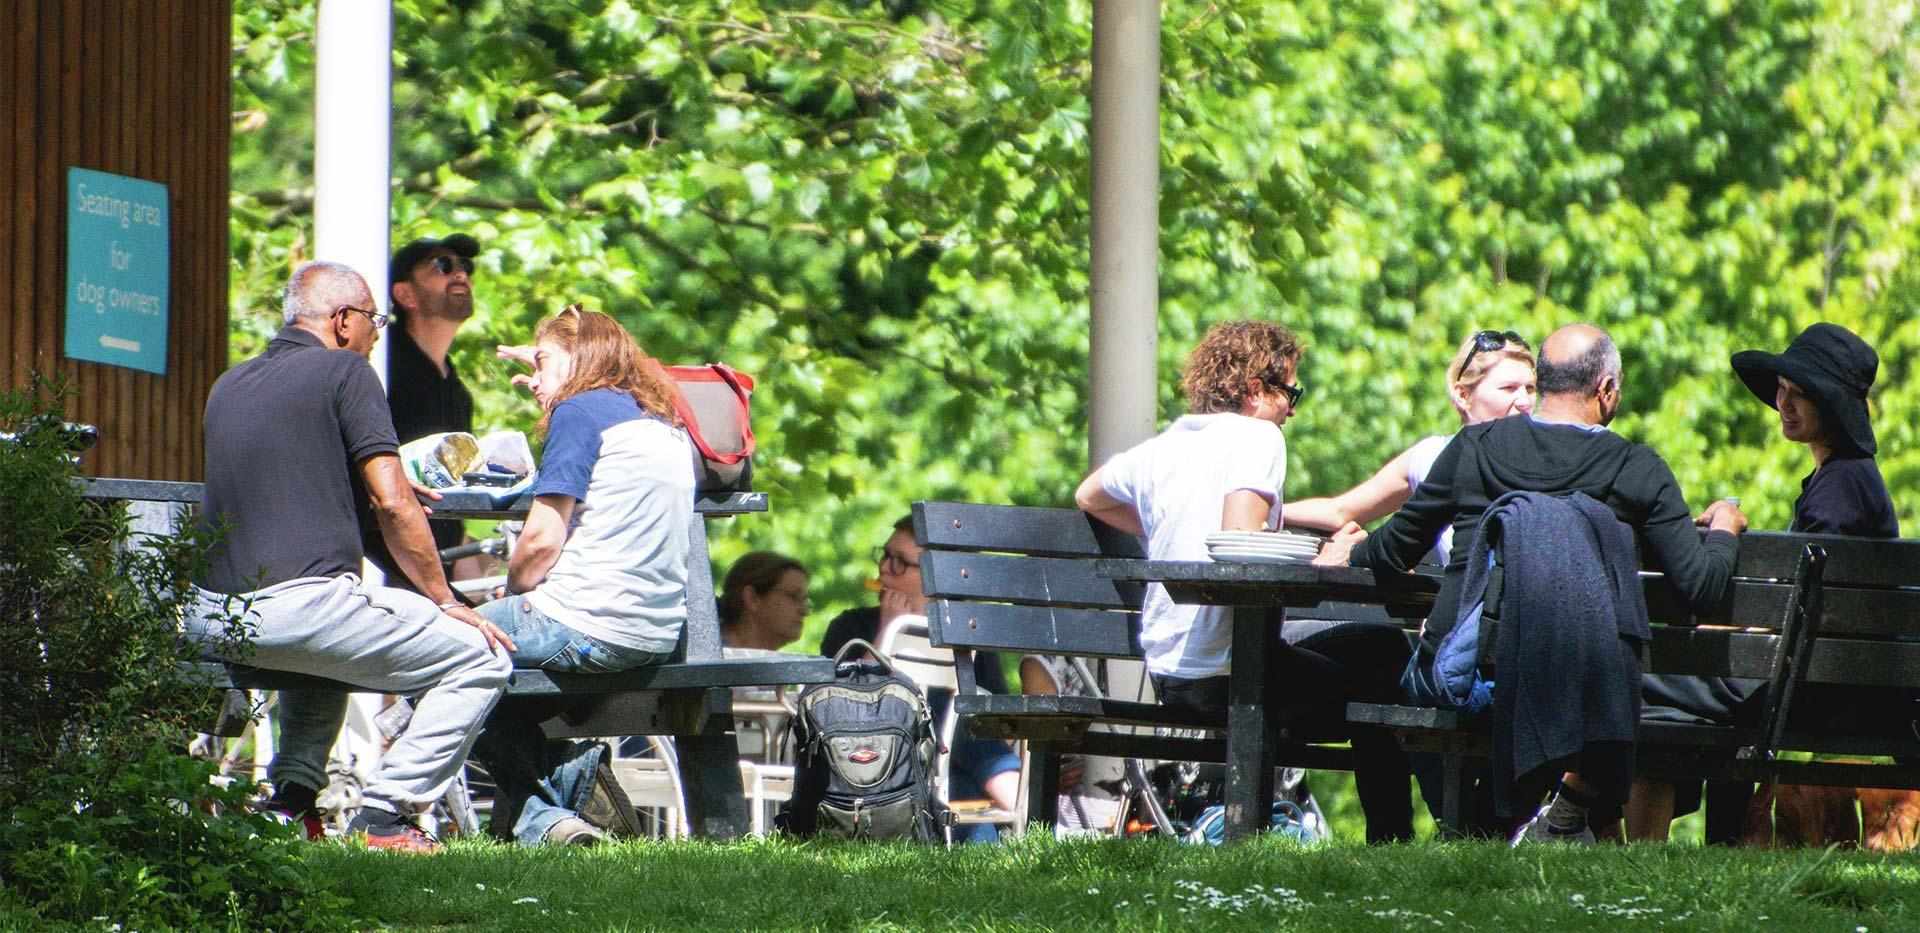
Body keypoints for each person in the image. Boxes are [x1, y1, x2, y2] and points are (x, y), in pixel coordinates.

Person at [1318, 323, 1749, 844]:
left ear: (1541, 382)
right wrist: (1724, 526)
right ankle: (1519, 823)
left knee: (1396, 667)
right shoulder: (1637, 469)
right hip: (1581, 698)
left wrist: (1351, 551)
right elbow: (1700, 586)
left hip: (1467, 679)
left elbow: (1394, 549)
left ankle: (1474, 830)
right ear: (1606, 391)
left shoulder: (1475, 446)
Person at [183, 260, 514, 854]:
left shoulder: (227, 385)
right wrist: (444, 600)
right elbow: (392, 503)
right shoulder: (345, 372)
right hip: (297, 609)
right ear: (342, 321)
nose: (376, 335)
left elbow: (352, 508)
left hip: (214, 617)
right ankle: (387, 816)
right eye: (374, 321)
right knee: (480, 656)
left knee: (330, 642)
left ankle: (291, 806)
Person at [1074, 319, 1417, 844]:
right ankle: (1390, 844)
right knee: (1385, 676)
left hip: (1172, 672)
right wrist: (1326, 560)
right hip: (1230, 670)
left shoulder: (1164, 446)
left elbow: (1089, 496)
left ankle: (1374, 838)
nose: (1294, 409)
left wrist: (1166, 529)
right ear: (1256, 390)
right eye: (1291, 391)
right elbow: (1240, 543)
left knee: (1375, 644)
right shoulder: (1261, 437)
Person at [1631, 322, 1899, 842]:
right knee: (1665, 686)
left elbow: (1793, 617)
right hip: (1819, 681)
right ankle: (1705, 839)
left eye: (1803, 394)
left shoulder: (1841, 488)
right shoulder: (1848, 479)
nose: (1785, 403)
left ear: (1836, 407)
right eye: (1783, 389)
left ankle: (1586, 819)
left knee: (1633, 667)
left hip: (1809, 689)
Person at [467, 305, 697, 846]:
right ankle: (567, 792)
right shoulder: (658, 420)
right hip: (654, 635)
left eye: (543, 362)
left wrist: (516, 589)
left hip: (586, 623)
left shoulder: (579, 414)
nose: (536, 381)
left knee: (432, 649)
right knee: (494, 678)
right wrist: (550, 369)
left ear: (579, 359)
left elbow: (542, 540)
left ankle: (551, 811)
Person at [819, 517, 1022, 841]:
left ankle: (986, 867)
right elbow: (840, 706)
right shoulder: (851, 626)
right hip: (867, 757)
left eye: (899, 563)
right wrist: (887, 632)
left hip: (942, 765)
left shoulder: (966, 637)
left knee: (961, 735)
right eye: (884, 555)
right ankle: (1016, 796)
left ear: (934, 581)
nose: (884, 569)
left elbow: (995, 718)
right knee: (941, 704)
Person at [1285, 330, 1536, 562]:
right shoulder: (1432, 455)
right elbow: (1339, 511)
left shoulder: (1548, 458)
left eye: (1531, 388)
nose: (1525, 401)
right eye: (1509, 388)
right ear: (1463, 395)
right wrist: (1265, 513)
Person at [362, 233, 482, 587]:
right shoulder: (382, 367)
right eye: (442, 266)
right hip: (382, 575)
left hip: (431, 579)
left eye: (465, 267)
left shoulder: (455, 389)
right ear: (405, 295)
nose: (460, 274)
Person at [719, 552, 811, 652]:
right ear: (752, 598)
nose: (805, 611)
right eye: (793, 596)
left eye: (804, 600)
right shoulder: (704, 658)